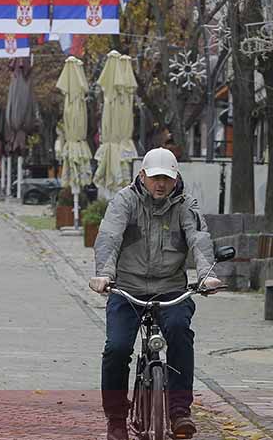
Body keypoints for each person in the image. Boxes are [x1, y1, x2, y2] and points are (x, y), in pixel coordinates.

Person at [88, 148, 222, 440]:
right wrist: (104, 275)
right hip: (127, 289)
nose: (160, 184)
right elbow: (109, 237)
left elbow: (199, 239)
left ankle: (179, 412)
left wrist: (207, 275)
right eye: (155, 178)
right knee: (117, 348)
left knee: (179, 333)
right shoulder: (124, 201)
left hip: (170, 289)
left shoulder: (187, 205)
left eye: (166, 178)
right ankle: (116, 418)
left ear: (176, 179)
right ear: (142, 176)